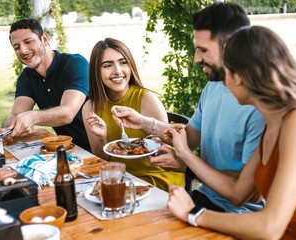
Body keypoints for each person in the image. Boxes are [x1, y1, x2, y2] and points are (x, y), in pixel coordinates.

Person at [167, 26, 296, 240]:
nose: (222, 82)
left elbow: (269, 228)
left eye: (226, 72)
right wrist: (183, 154)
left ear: (241, 77)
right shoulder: (271, 124)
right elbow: (238, 192)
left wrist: (193, 213)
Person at [112, 2, 265, 213]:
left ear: (231, 45)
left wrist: (185, 160)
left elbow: (246, 192)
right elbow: (190, 137)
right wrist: (143, 122)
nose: (196, 58)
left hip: (238, 214)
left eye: (203, 50)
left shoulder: (259, 106)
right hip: (204, 197)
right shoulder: (213, 86)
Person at [82, 38, 185, 191]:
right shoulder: (90, 107)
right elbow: (102, 161)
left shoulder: (147, 99)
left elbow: (173, 148)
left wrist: (152, 141)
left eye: (123, 62)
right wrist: (102, 138)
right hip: (121, 178)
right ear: (96, 71)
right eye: (108, 65)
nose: (117, 70)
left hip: (157, 178)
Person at [2, 18, 91, 151]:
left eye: (28, 42)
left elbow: (68, 112)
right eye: (17, 47)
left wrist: (33, 116)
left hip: (101, 146)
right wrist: (5, 130)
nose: (23, 50)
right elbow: (16, 114)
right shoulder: (26, 77)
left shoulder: (75, 63)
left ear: (44, 39)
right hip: (67, 148)